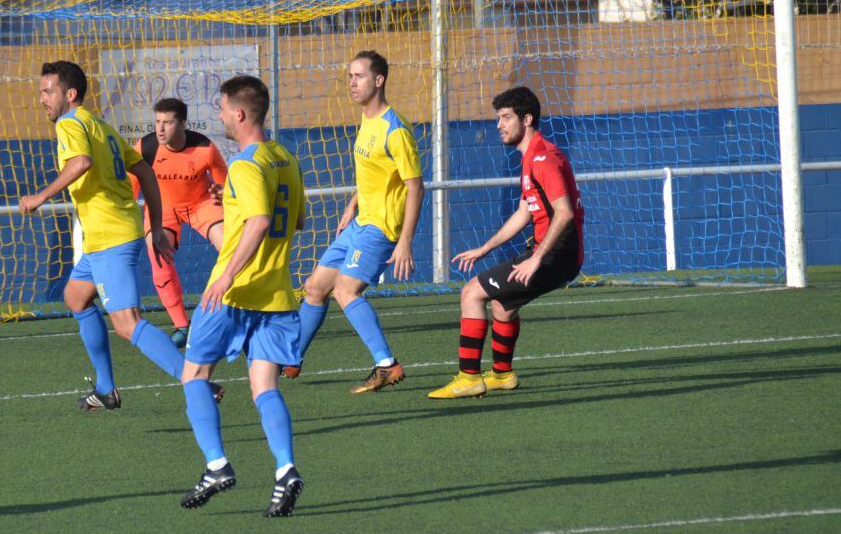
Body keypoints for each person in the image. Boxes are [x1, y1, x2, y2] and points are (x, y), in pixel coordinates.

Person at [19, 61, 216, 411]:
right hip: (105, 236)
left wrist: (40, 196)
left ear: (70, 94)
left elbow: (80, 163)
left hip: (110, 235)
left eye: (47, 91)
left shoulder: (70, 123)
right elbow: (145, 171)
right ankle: (106, 388)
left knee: (127, 324)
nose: (41, 99)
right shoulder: (101, 126)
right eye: (40, 92)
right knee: (76, 297)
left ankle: (194, 378)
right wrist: (155, 227)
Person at [179, 75, 307, 518]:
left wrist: (226, 275)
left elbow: (257, 221)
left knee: (194, 375)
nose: (218, 116)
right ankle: (285, 470)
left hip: (233, 294)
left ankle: (216, 465)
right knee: (264, 387)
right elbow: (298, 220)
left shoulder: (247, 163)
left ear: (239, 112)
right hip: (275, 294)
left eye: (221, 108)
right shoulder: (285, 159)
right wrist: (231, 199)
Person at [428, 86, 584, 399]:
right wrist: (484, 249)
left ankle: (469, 377)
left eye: (506, 117)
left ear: (527, 119)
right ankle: (502, 374)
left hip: (556, 255)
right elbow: (525, 212)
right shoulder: (530, 156)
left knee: (471, 293)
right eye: (498, 118)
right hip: (553, 252)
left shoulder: (543, 157)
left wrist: (536, 259)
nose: (499, 124)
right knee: (502, 304)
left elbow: (564, 213)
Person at [287, 50, 423, 394]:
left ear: (379, 80)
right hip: (360, 221)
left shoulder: (395, 130)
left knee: (346, 291)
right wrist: (351, 204)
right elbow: (374, 176)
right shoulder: (366, 120)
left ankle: (386, 365)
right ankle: (291, 358)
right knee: (315, 287)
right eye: (349, 75)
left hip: (380, 228)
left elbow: (415, 187)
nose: (351, 82)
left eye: (359, 76)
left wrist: (405, 241)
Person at [129, 98, 228, 349]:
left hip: (202, 203)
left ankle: (227, 313)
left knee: (231, 247)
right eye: (157, 122)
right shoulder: (146, 147)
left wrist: (224, 194)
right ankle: (182, 326)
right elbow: (129, 189)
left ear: (183, 123)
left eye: (168, 122)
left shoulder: (205, 148)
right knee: (157, 252)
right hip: (163, 208)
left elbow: (226, 186)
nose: (160, 129)